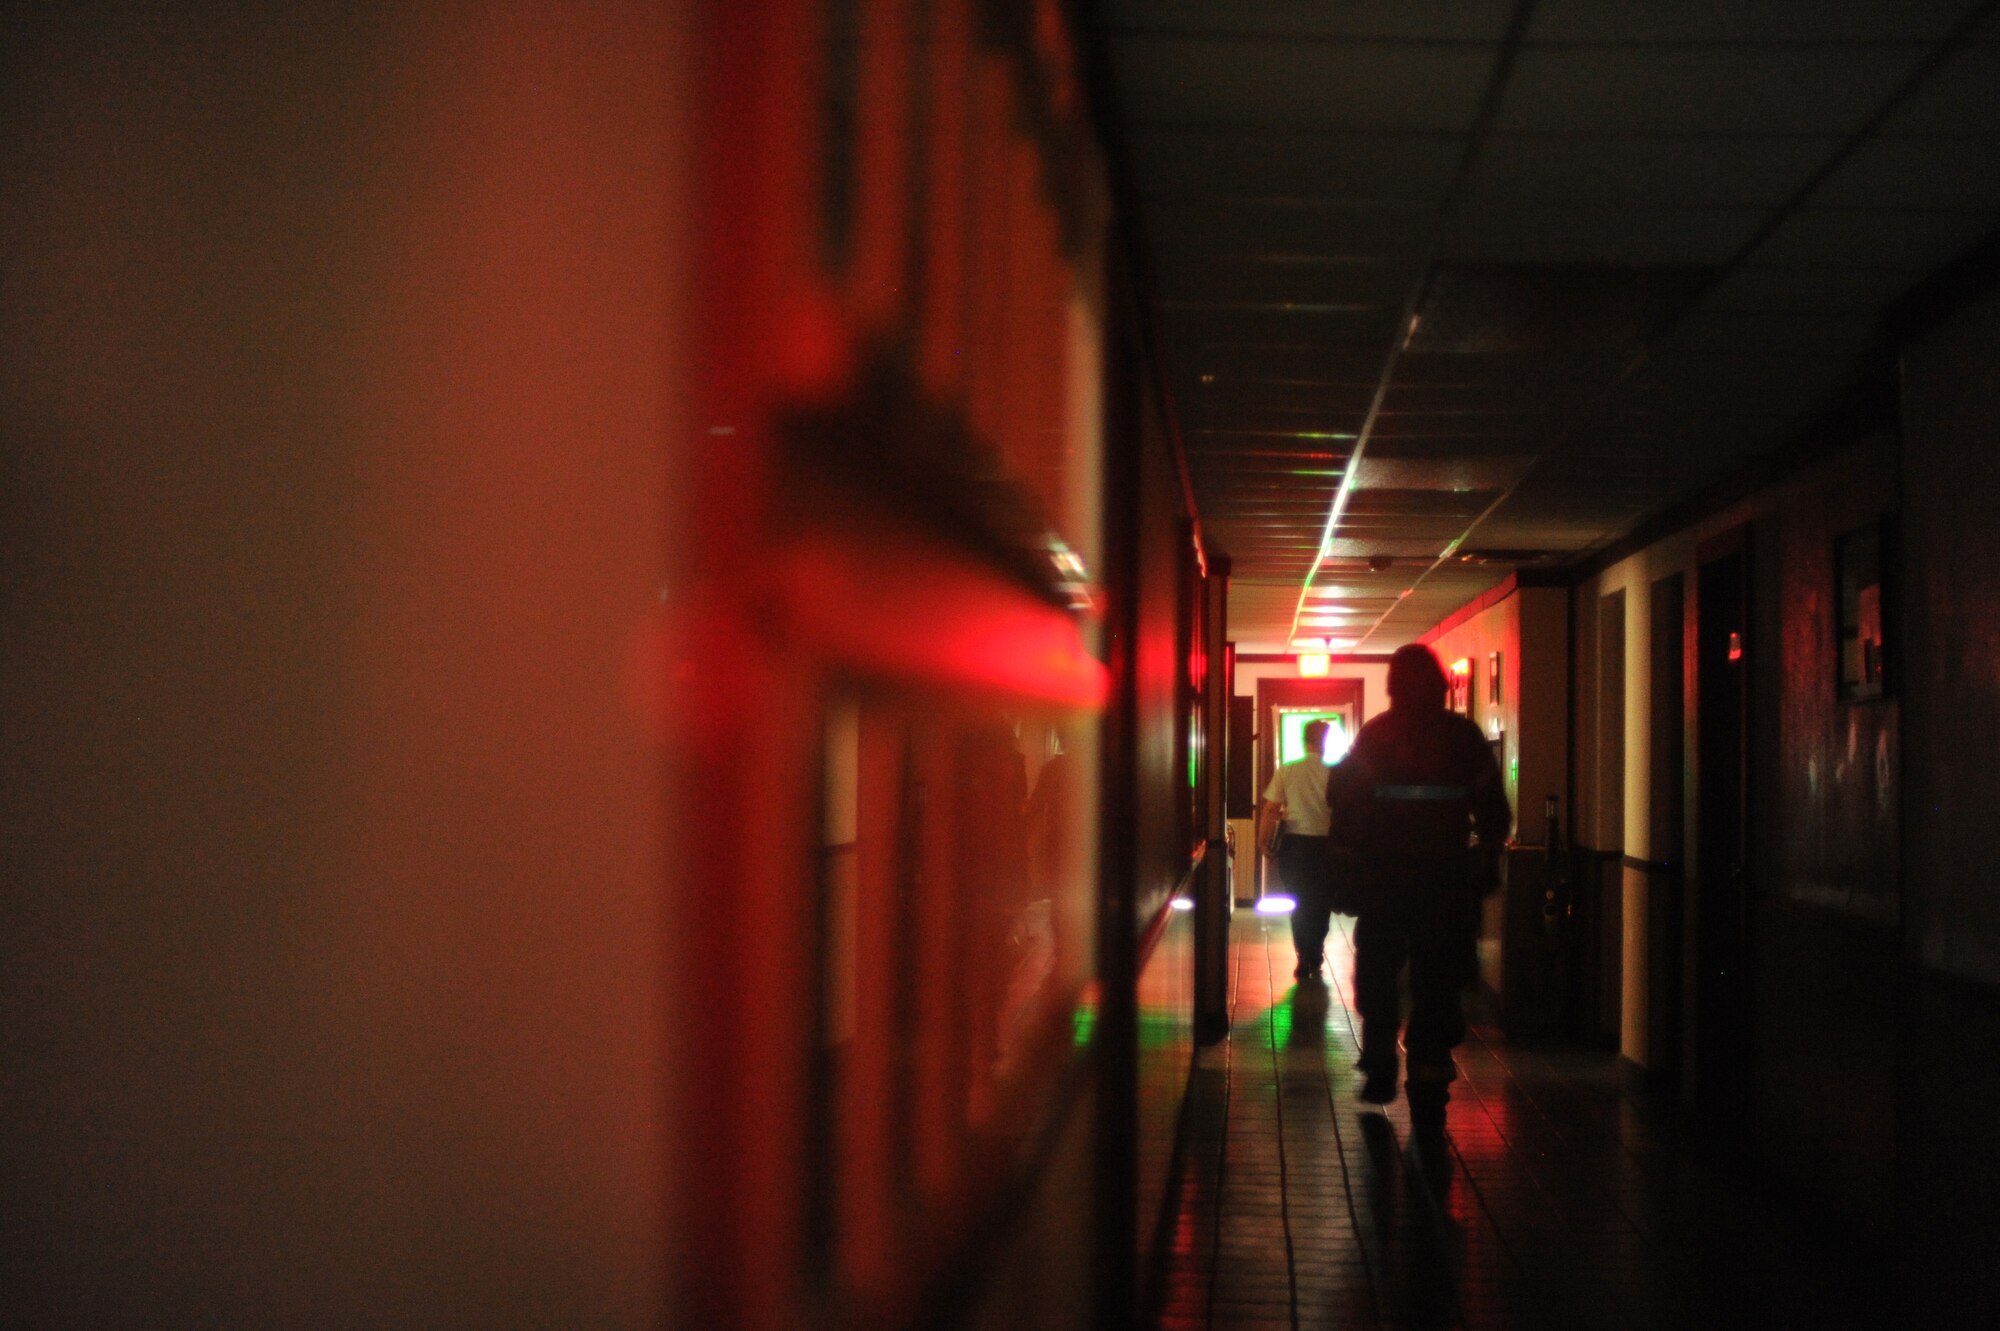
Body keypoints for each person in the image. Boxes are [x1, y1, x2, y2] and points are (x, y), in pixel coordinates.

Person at [1325, 644, 1510, 1127]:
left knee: (1380, 970)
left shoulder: (1375, 736)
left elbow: (1343, 803)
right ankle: (1428, 1070)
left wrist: (1349, 865)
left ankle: (1381, 1058)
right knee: (1438, 976)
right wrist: (1484, 858)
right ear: (1440, 685)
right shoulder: (1464, 737)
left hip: (1384, 880)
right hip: (1445, 883)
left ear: (1392, 685)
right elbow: (1494, 812)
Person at [1256, 718, 1335, 985]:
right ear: (1325, 741)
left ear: (1305, 740)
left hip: (1296, 846)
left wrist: (1263, 841)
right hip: (1327, 846)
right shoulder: (1335, 773)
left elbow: (1269, 809)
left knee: (1298, 902)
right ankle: (1316, 951)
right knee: (1321, 902)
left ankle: (1304, 955)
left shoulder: (1288, 770)